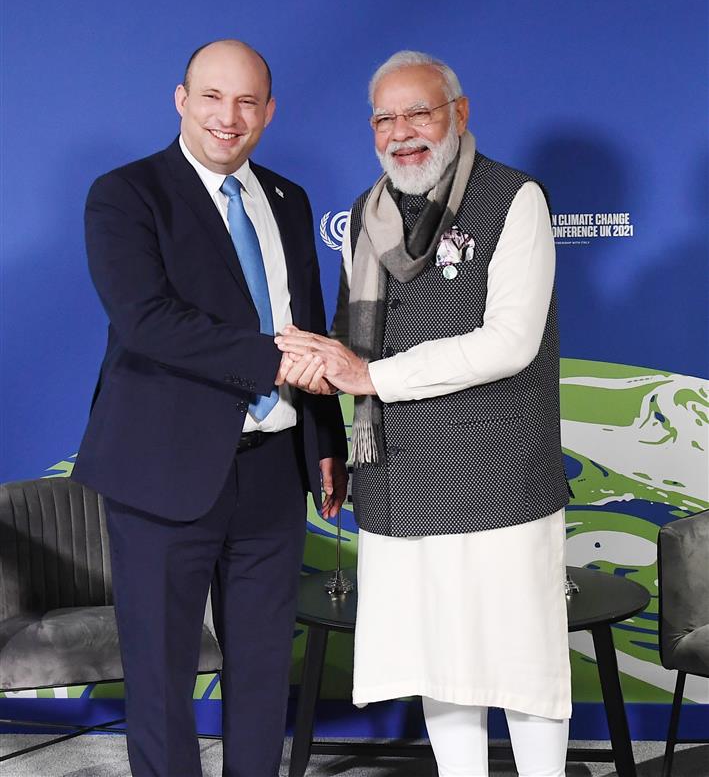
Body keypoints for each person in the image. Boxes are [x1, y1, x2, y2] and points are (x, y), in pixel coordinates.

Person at [276, 50, 571, 777]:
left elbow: (509, 341)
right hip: (397, 483)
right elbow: (349, 347)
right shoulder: (365, 216)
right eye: (384, 117)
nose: (400, 131)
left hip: (498, 479)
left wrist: (364, 372)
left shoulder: (514, 197)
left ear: (458, 115)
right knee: (436, 661)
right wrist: (302, 360)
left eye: (418, 112)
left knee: (521, 662)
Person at [73, 39, 348, 777]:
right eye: (213, 97)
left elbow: (308, 317)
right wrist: (277, 361)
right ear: (181, 100)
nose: (230, 117)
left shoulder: (288, 199)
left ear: (268, 111)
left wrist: (326, 435)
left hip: (271, 475)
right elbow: (147, 320)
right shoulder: (126, 193)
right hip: (163, 473)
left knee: (261, 671)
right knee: (161, 676)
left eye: (247, 102)